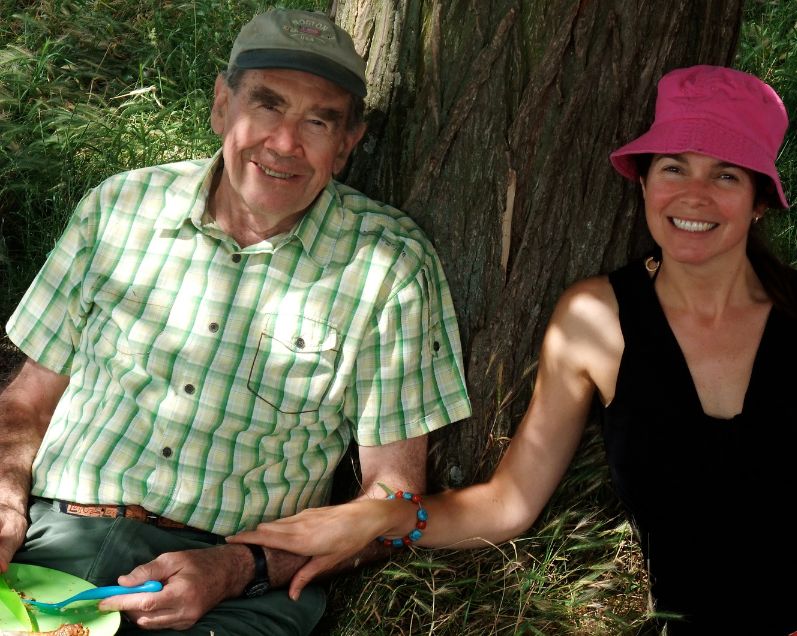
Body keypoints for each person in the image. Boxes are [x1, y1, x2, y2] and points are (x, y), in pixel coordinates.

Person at [229, 65, 797, 634]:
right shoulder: (595, 319)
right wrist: (384, 517)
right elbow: (510, 505)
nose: (694, 195)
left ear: (761, 197)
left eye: (725, 175)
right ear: (642, 180)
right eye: (673, 166)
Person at [0, 8, 470, 635]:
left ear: (350, 141)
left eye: (318, 121)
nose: (284, 143)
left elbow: (393, 505)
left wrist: (236, 567)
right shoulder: (120, 207)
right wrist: (5, 492)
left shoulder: (388, 266)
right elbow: (27, 405)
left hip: (233, 589)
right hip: (49, 538)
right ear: (222, 105)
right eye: (268, 106)